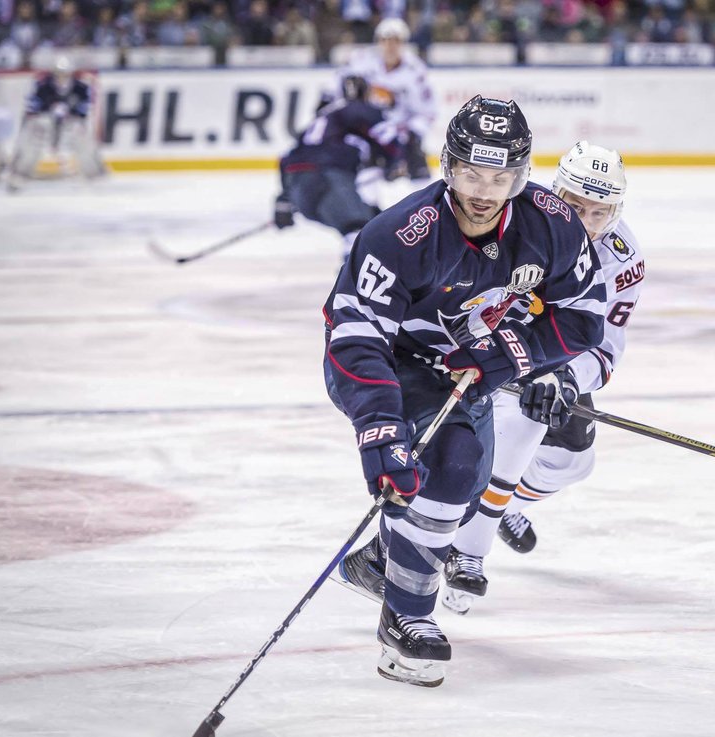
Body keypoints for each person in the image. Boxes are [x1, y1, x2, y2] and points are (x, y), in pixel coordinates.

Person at [324, 96, 607, 687]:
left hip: (474, 369)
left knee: (461, 482)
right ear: (449, 167)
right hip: (392, 363)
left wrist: (513, 356)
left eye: (501, 176)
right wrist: (379, 428)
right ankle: (407, 622)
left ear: (522, 174)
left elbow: (582, 317)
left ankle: (384, 557)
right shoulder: (399, 234)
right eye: (472, 174)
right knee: (449, 469)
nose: (484, 190)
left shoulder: (552, 224)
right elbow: (354, 338)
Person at [442, 142, 645, 615]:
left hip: (553, 354)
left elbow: (606, 346)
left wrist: (567, 378)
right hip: (484, 346)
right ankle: (466, 551)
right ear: (556, 194)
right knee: (521, 430)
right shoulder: (514, 218)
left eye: (600, 212)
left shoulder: (622, 258)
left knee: (571, 463)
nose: (586, 221)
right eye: (575, 206)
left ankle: (499, 501)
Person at [273, 74, 408, 257]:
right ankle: (354, 282)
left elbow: (287, 159)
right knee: (360, 228)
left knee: (371, 223)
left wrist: (285, 198)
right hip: (328, 179)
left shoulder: (323, 116)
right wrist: (394, 163)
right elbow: (390, 142)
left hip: (298, 185)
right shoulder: (361, 109)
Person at [337, 17, 436, 183]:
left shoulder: (415, 71)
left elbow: (427, 111)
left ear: (403, 43)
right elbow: (339, 88)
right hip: (368, 130)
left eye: (396, 40)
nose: (390, 46)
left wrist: (411, 133)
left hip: (400, 133)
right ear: (378, 42)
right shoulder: (362, 63)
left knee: (419, 174)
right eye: (385, 40)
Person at [5, 56, 106, 193]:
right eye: (59, 73)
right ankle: (19, 175)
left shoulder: (80, 88)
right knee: (32, 138)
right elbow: (32, 107)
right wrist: (48, 111)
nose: (62, 77)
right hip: (45, 121)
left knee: (82, 135)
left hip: (69, 123)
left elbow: (84, 109)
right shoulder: (42, 86)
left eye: (64, 73)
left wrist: (70, 112)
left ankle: (94, 174)